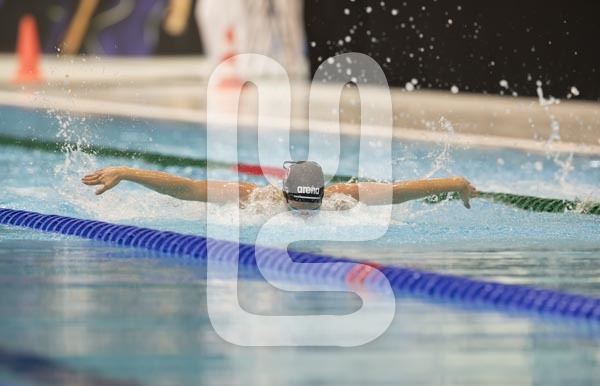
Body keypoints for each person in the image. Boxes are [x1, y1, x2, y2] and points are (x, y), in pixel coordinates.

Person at [81, 161, 477, 212]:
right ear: (284, 194)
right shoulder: (254, 197)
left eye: (310, 205)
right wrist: (126, 171)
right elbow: (187, 188)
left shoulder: (341, 197)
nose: (305, 212)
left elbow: (399, 190)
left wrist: (457, 181)